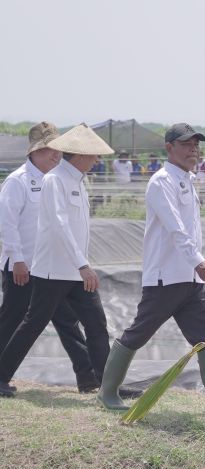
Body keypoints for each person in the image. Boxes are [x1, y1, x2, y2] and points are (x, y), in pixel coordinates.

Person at [99, 123, 205, 411]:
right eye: (186, 144)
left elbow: (190, 231)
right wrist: (198, 259)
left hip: (189, 280)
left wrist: (194, 264)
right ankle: (107, 393)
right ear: (169, 148)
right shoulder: (161, 182)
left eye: (196, 144)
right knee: (139, 333)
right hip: (165, 278)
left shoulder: (187, 180)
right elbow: (175, 229)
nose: (193, 149)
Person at [0, 125, 123, 398]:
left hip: (68, 268)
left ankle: (102, 383)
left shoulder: (75, 180)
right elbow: (48, 223)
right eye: (94, 155)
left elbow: (76, 228)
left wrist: (82, 263)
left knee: (90, 323)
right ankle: (2, 374)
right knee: (24, 322)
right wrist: (17, 259)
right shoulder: (33, 180)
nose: (97, 160)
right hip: (44, 268)